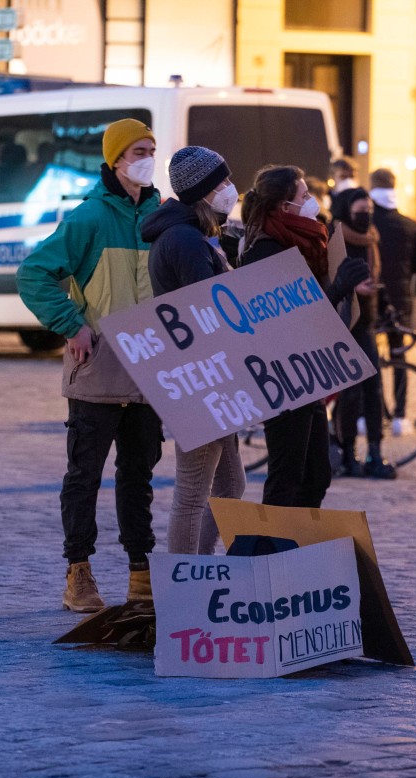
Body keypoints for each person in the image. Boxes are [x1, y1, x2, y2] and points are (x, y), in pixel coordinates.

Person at [15, 118, 164, 612]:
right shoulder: (90, 218)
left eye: (152, 148)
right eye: (139, 149)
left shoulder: (162, 218)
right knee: (85, 477)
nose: (148, 157)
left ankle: (141, 575)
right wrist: (72, 325)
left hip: (148, 377)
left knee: (138, 478)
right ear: (116, 158)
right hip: (98, 372)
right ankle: (78, 573)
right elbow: (34, 273)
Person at [238, 165, 368, 507]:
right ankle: (274, 550)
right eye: (304, 196)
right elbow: (286, 319)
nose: (311, 202)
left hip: (308, 372)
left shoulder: (304, 243)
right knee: (287, 475)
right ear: (284, 207)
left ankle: (300, 546)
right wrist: (337, 290)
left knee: (316, 474)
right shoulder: (265, 251)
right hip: (281, 376)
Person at [140, 146, 246, 554]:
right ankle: (186, 581)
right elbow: (202, 310)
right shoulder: (184, 240)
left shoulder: (197, 235)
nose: (229, 189)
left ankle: (199, 565)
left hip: (213, 375)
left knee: (231, 483)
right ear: (201, 191)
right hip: (200, 378)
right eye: (220, 183)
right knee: (191, 492)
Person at [330, 187, 396, 480]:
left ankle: (374, 453)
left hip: (366, 321)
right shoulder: (336, 238)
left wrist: (384, 304)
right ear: (347, 211)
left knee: (373, 390)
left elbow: (377, 274)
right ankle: (347, 454)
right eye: (360, 211)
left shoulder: (372, 240)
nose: (366, 215)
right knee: (350, 393)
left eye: (368, 209)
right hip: (343, 324)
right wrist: (351, 286)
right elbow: (329, 278)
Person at [369, 168, 416, 434]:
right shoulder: (409, 224)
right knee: (398, 354)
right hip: (401, 298)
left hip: (374, 297)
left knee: (372, 356)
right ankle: (400, 415)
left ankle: (376, 411)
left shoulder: (367, 224)